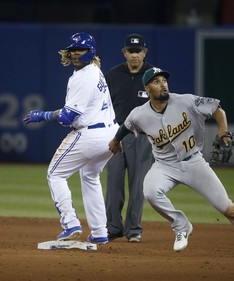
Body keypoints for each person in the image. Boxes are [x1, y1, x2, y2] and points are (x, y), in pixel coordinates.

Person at [108, 67, 234, 258]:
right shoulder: (139, 114)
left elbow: (217, 109)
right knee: (150, 191)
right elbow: (125, 127)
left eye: (164, 80)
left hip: (194, 162)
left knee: (225, 206)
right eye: (156, 82)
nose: (163, 84)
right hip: (164, 166)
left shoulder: (186, 101)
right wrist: (115, 141)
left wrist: (223, 131)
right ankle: (181, 225)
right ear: (147, 89)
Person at [23, 32, 118, 245]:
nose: (76, 53)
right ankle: (100, 231)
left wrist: (43, 115)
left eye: (81, 49)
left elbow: (68, 117)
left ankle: (70, 223)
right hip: (110, 134)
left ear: (90, 51)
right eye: (74, 49)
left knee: (55, 174)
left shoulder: (84, 76)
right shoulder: (94, 69)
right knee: (90, 176)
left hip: (91, 134)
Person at [104, 34, 154, 243]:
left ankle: (133, 230)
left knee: (138, 186)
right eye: (131, 51)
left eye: (138, 51)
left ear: (145, 52)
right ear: (124, 52)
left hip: (142, 138)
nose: (135, 55)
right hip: (115, 136)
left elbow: (163, 106)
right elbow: (103, 106)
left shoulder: (153, 76)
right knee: (113, 184)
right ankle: (113, 228)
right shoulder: (113, 75)